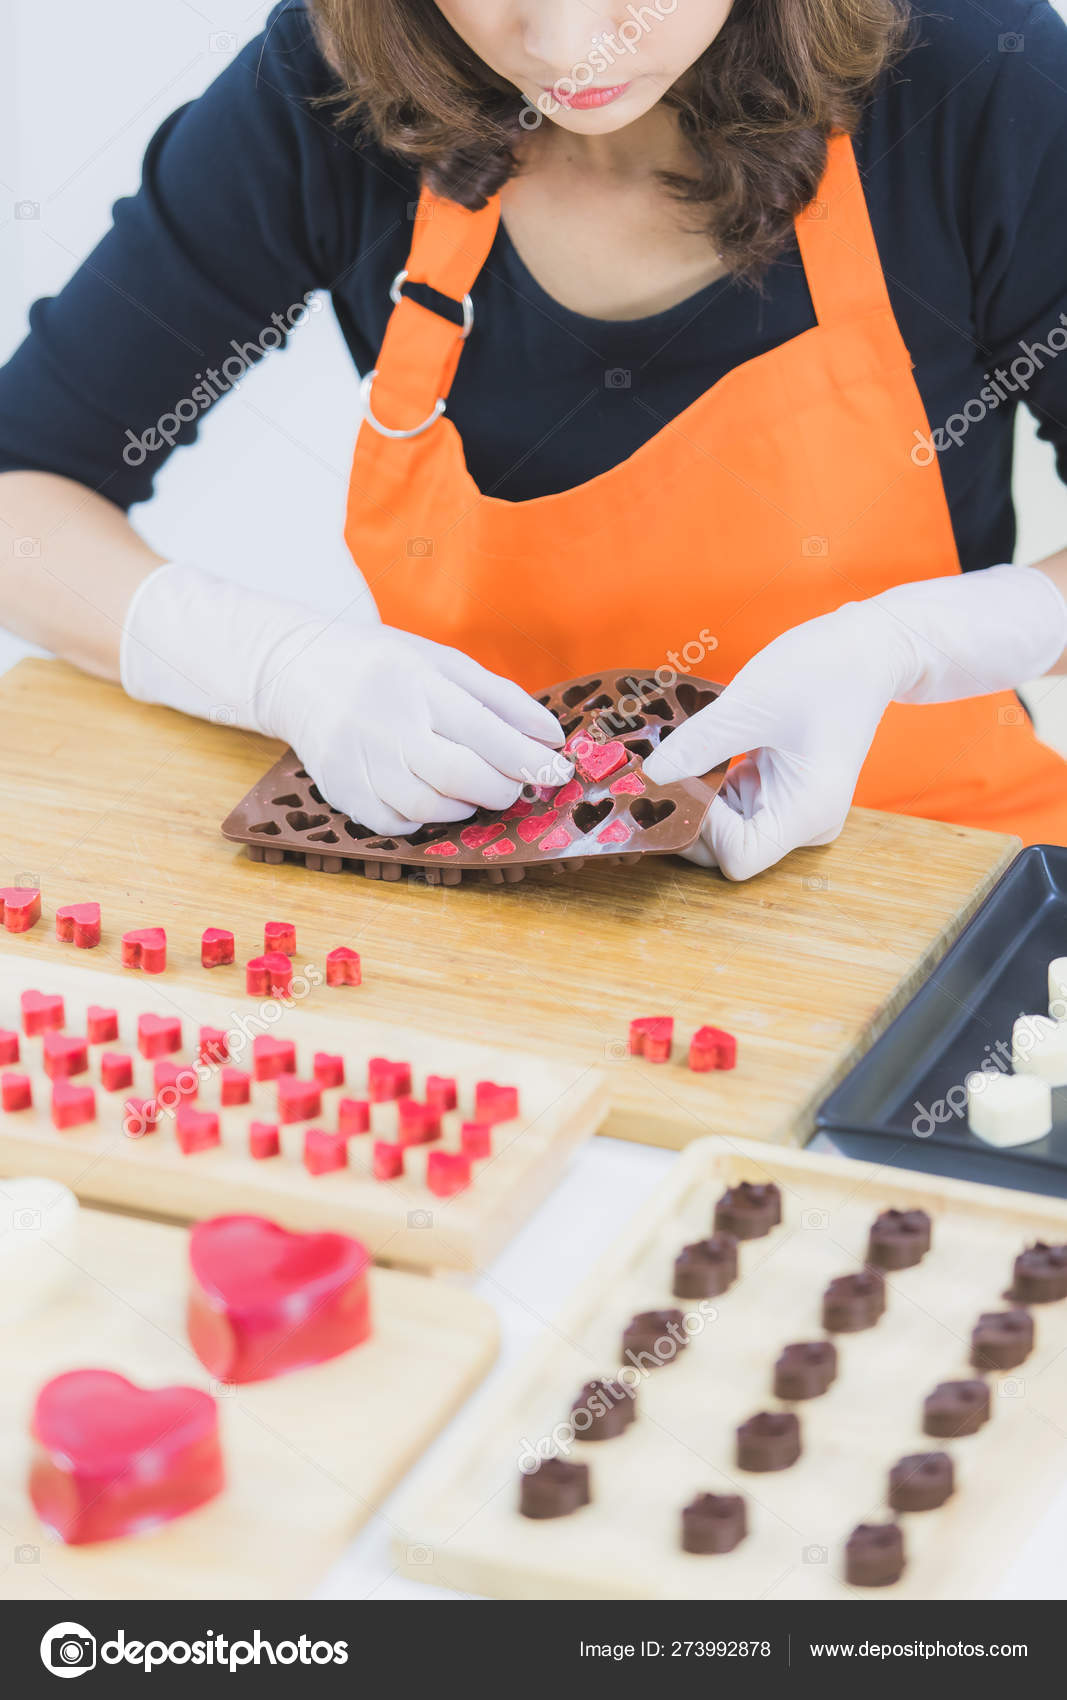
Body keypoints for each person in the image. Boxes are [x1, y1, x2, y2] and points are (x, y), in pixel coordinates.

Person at [3, 0, 1067, 878]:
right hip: (500, 899)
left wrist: (913, 644)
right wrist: (269, 662)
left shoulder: (973, 75)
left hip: (943, 878)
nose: (565, 48)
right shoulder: (329, 82)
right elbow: (23, 489)